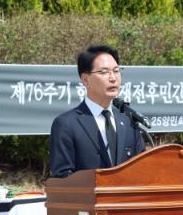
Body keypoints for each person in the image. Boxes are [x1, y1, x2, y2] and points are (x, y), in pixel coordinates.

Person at [49, 45, 145, 178]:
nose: (113, 78)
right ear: (85, 79)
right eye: (104, 72)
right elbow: (62, 176)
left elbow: (142, 170)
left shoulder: (128, 122)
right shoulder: (66, 124)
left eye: (116, 71)